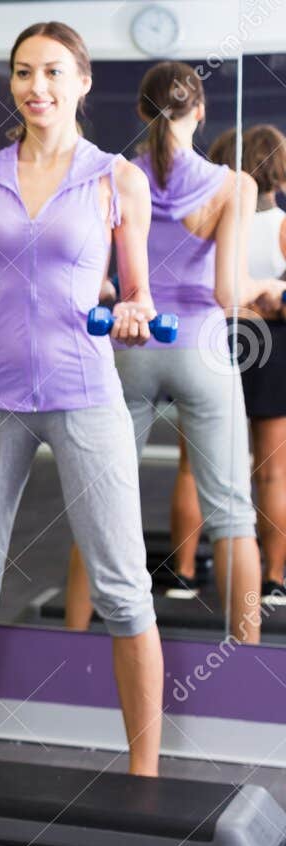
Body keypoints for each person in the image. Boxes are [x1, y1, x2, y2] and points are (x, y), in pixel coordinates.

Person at [0, 22, 166, 775]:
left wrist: (136, 318)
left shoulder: (117, 178)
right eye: (22, 72)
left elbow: (137, 295)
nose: (35, 87)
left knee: (122, 587)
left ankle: (145, 776)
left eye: (52, 72)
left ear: (81, 81)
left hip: (85, 393)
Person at [62, 62, 273, 643]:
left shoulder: (113, 176)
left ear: (139, 111)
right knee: (232, 514)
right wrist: (268, 290)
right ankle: (247, 658)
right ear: (200, 111)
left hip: (129, 347)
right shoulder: (234, 184)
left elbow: (101, 282)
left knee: (99, 508)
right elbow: (230, 293)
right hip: (203, 348)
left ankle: (70, 643)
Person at [208, 124, 286, 605]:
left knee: (197, 469)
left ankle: (186, 576)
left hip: (221, 343)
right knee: (274, 473)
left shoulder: (217, 221)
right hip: (272, 349)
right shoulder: (280, 224)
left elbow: (210, 291)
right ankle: (275, 579)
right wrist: (269, 300)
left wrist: (242, 304)